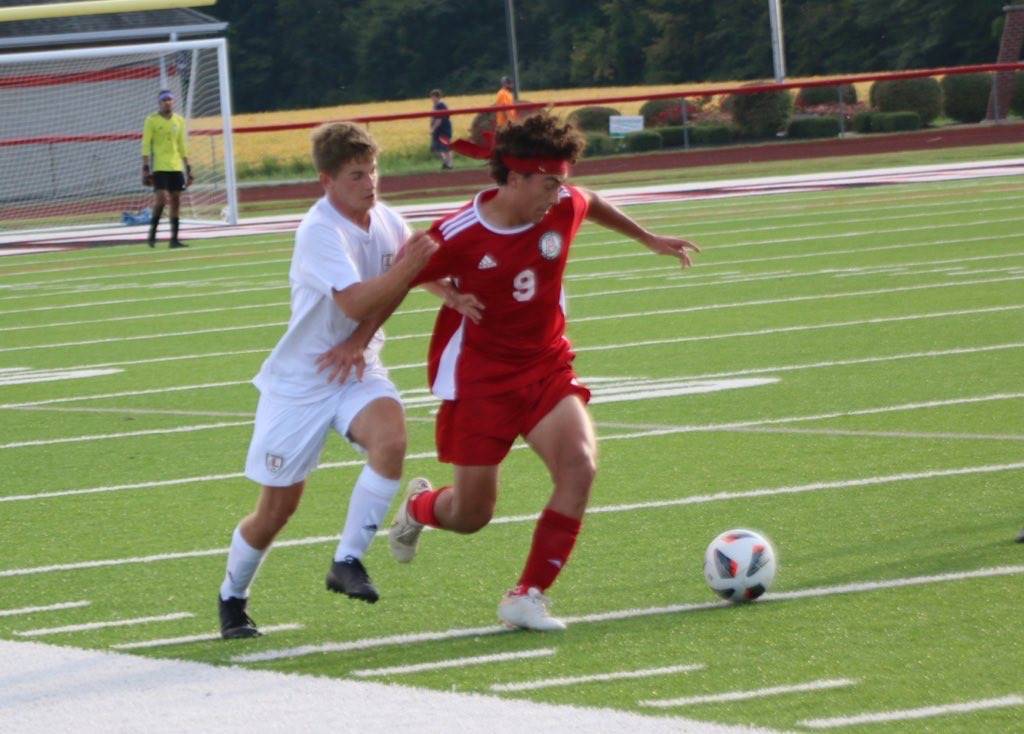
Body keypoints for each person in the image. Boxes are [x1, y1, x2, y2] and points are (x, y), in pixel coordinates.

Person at [388, 112, 700, 631]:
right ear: (515, 178)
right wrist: (448, 294)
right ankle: (419, 506)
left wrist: (648, 238)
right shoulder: (460, 232)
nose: (559, 194)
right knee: (470, 516)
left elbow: (589, 201)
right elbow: (401, 268)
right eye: (549, 182)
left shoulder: (561, 205)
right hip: (481, 382)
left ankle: (527, 595)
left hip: (545, 365)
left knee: (580, 465)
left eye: (562, 182)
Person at [217, 121, 438, 639]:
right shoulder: (319, 230)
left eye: (373, 171)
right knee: (276, 511)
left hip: (355, 368)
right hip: (302, 382)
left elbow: (409, 278)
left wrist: (451, 291)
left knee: (391, 440)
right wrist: (409, 271)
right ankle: (232, 597)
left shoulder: (386, 219)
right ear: (327, 181)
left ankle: (348, 560)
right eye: (356, 175)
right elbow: (357, 299)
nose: (370, 183)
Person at [141, 90, 193, 249]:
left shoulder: (179, 120)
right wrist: (145, 168)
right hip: (160, 167)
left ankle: (174, 239)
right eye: (164, 100)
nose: (167, 103)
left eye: (170, 100)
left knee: (176, 201)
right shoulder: (152, 120)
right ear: (159, 103)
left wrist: (188, 168)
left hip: (176, 166)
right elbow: (146, 144)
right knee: (162, 200)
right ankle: (152, 233)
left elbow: (182, 145)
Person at [429, 89, 454, 171]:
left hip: (443, 130)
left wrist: (433, 129)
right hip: (438, 131)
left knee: (446, 148)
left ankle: (449, 164)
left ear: (437, 97)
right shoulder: (436, 106)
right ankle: (446, 162)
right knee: (436, 148)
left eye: (433, 97)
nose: (431, 99)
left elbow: (439, 120)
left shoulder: (440, 105)